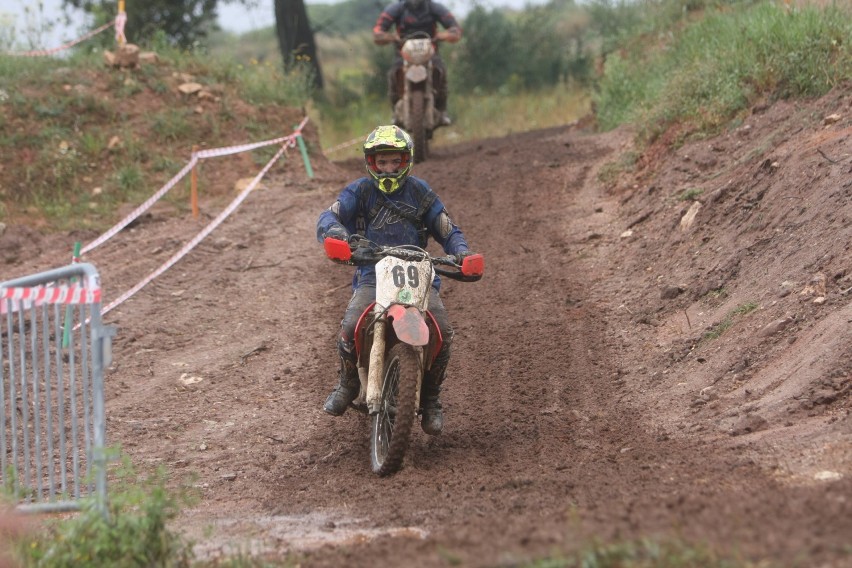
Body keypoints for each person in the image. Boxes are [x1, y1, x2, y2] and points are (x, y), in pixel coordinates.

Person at [316, 125, 477, 436]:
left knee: (442, 332)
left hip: (420, 276)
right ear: (371, 163)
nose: (388, 168)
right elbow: (329, 216)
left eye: (395, 162)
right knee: (350, 326)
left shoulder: (421, 193)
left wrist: (461, 252)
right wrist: (338, 234)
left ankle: (431, 399)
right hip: (372, 275)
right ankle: (348, 383)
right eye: (382, 162)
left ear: (407, 162)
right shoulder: (359, 192)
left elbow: (448, 229)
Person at [373, 0, 462, 126]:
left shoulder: (434, 7)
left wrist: (442, 35)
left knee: (440, 71)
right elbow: (378, 31)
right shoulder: (396, 8)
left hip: (430, 54)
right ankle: (395, 113)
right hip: (403, 54)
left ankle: (442, 111)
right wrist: (390, 36)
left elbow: (455, 28)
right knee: (393, 74)